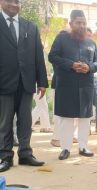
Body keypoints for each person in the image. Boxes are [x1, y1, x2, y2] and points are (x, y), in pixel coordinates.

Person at [0, 0, 48, 172]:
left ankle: (25, 154)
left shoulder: (30, 27)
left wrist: (42, 81)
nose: (14, 4)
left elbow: (38, 55)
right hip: (3, 82)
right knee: (4, 122)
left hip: (27, 82)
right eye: (10, 1)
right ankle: (5, 157)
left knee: (25, 121)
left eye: (17, 1)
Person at [49, 10, 97, 160]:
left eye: (84, 23)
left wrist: (90, 67)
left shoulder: (91, 42)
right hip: (66, 85)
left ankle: (83, 146)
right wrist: (71, 65)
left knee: (85, 118)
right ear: (71, 23)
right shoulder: (61, 39)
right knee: (66, 118)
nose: (82, 26)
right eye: (78, 23)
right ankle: (65, 148)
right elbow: (52, 56)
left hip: (85, 85)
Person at [86, 27, 97, 135]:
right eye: (86, 35)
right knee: (86, 104)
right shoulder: (80, 47)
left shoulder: (94, 46)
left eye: (90, 35)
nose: (88, 37)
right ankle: (86, 128)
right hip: (84, 79)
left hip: (95, 78)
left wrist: (90, 67)